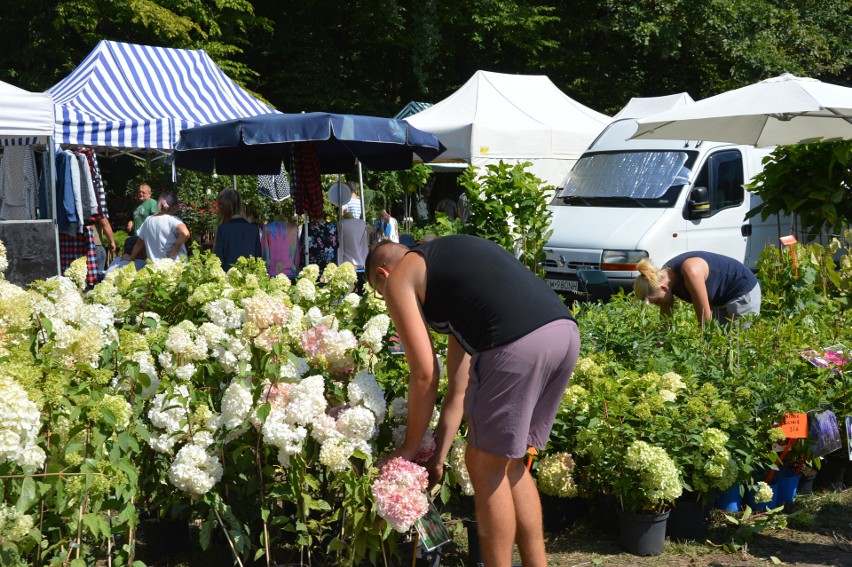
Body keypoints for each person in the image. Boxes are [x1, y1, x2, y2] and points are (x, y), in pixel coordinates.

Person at [367, 234, 579, 567]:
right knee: (509, 463)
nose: (389, 301)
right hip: (562, 333)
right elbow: (458, 387)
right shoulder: (449, 278)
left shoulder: (400, 278)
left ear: (382, 275)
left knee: (483, 465)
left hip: (516, 342)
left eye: (382, 295)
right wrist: (436, 455)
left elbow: (424, 374)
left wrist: (407, 449)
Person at [633, 251, 762, 325]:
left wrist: (702, 350)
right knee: (722, 347)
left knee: (742, 346)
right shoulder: (663, 281)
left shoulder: (691, 272)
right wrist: (661, 345)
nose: (658, 305)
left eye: (657, 302)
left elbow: (705, 319)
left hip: (742, 291)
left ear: (664, 288)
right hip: (719, 298)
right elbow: (666, 320)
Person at [124, 192, 190, 262]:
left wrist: (131, 258)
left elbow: (139, 244)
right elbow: (185, 233)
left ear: (158, 204)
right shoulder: (173, 220)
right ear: (175, 207)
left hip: (155, 268)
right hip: (175, 264)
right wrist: (177, 246)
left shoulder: (148, 220)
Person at [213, 189, 262, 271]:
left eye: (221, 204)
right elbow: (258, 258)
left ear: (229, 205)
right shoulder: (254, 229)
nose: (219, 207)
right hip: (250, 276)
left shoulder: (222, 229)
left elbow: (218, 259)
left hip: (228, 277)